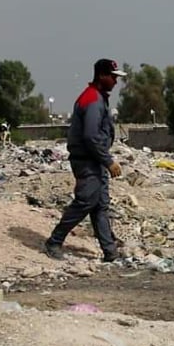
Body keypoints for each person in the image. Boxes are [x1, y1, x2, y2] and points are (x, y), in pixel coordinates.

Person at [44, 59, 126, 262]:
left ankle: (110, 252)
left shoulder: (98, 97)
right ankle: (54, 241)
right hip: (87, 160)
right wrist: (108, 161)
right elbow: (90, 136)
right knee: (86, 201)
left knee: (100, 205)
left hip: (95, 159)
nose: (115, 81)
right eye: (113, 77)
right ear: (102, 76)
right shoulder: (92, 99)